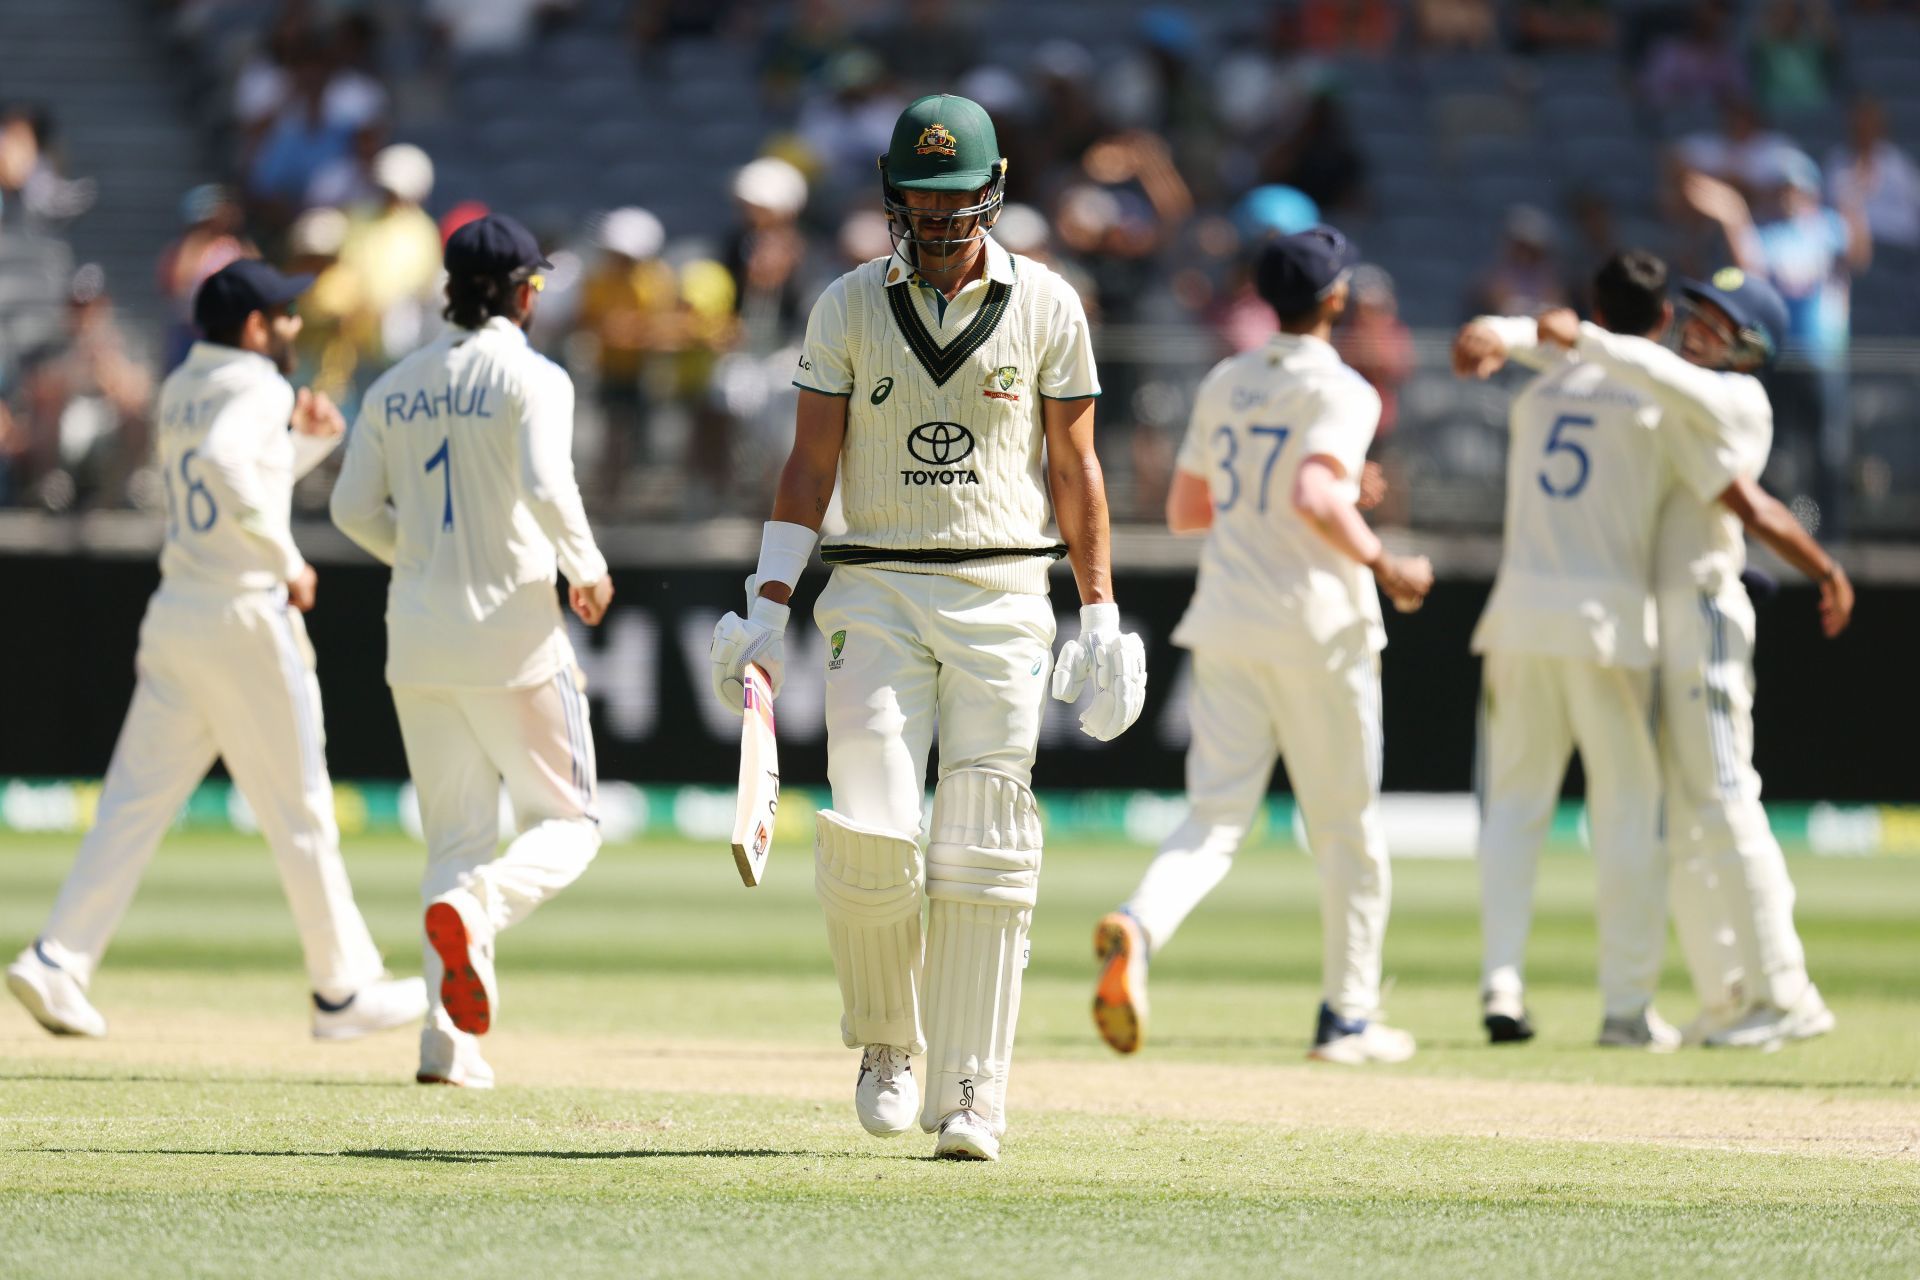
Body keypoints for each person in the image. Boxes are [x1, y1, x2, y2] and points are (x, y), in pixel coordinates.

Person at [707, 94, 1147, 1162]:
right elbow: (811, 462)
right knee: (871, 830)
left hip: (1004, 593)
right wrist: (771, 598)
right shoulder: (848, 305)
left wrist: (1099, 607)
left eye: (957, 197)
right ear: (892, 196)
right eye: (920, 196)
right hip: (874, 589)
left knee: (987, 845)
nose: (940, 216)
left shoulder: (1047, 303)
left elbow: (1074, 467)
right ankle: (887, 1043)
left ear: (992, 193)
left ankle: (972, 1090)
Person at [6, 260, 425, 1042]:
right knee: (301, 807)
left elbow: (225, 477)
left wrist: (299, 449)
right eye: (285, 316)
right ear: (255, 327)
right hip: (244, 620)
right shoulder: (258, 388)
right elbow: (226, 468)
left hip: (179, 616)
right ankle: (342, 989)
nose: (296, 328)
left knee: (132, 804)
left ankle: (59, 958)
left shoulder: (183, 386)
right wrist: (287, 562)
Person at [1092, 226, 1433, 1067]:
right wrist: (1385, 557)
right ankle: (1347, 1018)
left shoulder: (1226, 380)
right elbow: (1316, 492)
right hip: (1318, 627)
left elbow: (1188, 510)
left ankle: (1138, 924)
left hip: (1229, 621)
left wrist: (1336, 495)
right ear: (1338, 299)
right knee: (1347, 831)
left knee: (1212, 819)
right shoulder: (1344, 389)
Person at [329, 214, 615, 1088]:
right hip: (514, 635)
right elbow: (542, 480)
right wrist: (587, 565)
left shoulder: (394, 385)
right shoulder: (535, 376)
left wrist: (417, 557)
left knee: (452, 839)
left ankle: (445, 1047)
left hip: (415, 636)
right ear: (524, 292)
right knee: (570, 824)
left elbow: (348, 509)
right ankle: (478, 910)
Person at [1533, 268, 1852, 1047]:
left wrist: (1828, 568)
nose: (1698, 326)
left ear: (1752, 346)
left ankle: (1787, 995)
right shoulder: (1683, 389)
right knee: (1688, 815)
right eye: (1698, 310)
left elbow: (1751, 503)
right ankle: (1730, 997)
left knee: (1725, 800)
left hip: (1705, 610)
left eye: (1719, 319)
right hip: (1666, 616)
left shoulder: (1735, 399)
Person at [1452, 251, 1687, 1050]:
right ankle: (1625, 1007)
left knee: (1514, 811)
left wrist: (1504, 333)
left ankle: (1501, 987)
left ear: (1593, 305)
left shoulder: (1543, 386)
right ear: (1661, 321)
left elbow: (1494, 334)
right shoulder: (1661, 393)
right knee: (1627, 815)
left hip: (1520, 618)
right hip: (1608, 624)